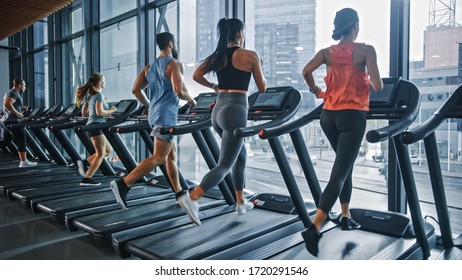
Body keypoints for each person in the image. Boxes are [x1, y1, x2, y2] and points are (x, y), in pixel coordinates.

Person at [300, 8, 383, 256]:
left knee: (343, 168)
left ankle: (345, 215)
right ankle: (314, 227)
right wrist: (365, 78)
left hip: (328, 115)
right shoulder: (366, 50)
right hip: (352, 117)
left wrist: (316, 90)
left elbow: (306, 71)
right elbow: (378, 86)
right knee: (339, 173)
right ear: (356, 25)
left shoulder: (327, 53)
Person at [183, 17, 266, 224]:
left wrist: (213, 86)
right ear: (240, 33)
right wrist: (259, 65)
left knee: (241, 156)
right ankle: (193, 197)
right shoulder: (250, 55)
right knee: (225, 164)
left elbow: (196, 75)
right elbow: (262, 87)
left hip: (218, 111)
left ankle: (240, 202)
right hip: (235, 110)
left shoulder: (218, 56)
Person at [109, 32, 199, 223]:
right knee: (159, 158)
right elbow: (179, 90)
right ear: (171, 44)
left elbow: (135, 90)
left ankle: (180, 193)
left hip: (154, 115)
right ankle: (123, 184)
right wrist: (191, 99)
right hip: (166, 116)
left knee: (170, 157)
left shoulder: (148, 68)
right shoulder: (174, 64)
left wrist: (150, 104)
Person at [75, 73, 117, 186]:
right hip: (96, 126)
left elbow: (84, 113)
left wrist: (100, 106)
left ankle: (85, 163)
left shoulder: (91, 96)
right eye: (104, 80)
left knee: (107, 150)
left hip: (92, 125)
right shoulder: (98, 95)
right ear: (99, 82)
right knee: (100, 153)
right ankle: (87, 179)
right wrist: (112, 110)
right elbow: (100, 113)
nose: (105, 82)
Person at [2, 78, 38, 168]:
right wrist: (17, 113)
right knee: (22, 138)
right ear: (19, 85)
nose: (25, 88)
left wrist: (21, 108)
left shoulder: (10, 93)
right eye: (24, 85)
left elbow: (10, 105)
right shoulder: (14, 93)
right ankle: (23, 162)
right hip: (12, 121)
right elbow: (7, 104)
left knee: (6, 142)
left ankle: (23, 161)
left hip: (6, 120)